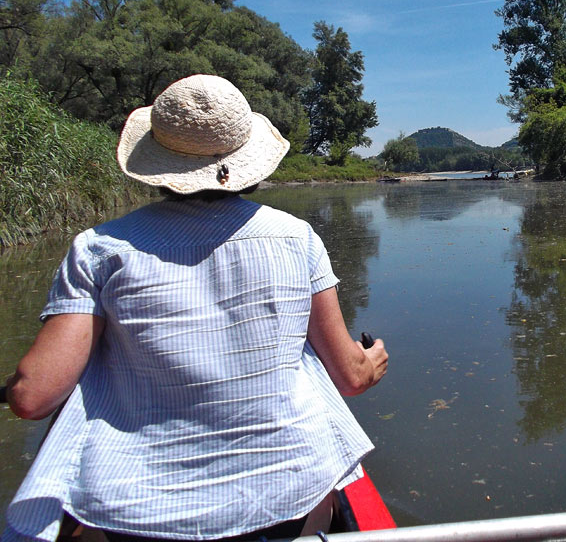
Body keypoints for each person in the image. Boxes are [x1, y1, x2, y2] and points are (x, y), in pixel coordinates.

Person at [3, 74, 388, 542]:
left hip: (139, 513)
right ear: (246, 159)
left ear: (157, 162)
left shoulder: (100, 250)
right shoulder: (297, 238)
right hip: (284, 498)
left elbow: (32, 397)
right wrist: (372, 362)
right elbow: (349, 377)